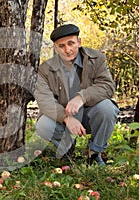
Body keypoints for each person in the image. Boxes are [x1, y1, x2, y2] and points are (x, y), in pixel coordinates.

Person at [34, 24, 119, 166]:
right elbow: (44, 100)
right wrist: (66, 118)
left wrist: (82, 97)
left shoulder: (97, 59)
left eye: (71, 43)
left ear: (79, 42)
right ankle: (67, 149)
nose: (67, 50)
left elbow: (107, 86)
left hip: (89, 114)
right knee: (43, 124)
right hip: (62, 118)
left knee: (108, 108)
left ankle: (94, 153)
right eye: (61, 46)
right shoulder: (45, 70)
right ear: (55, 48)